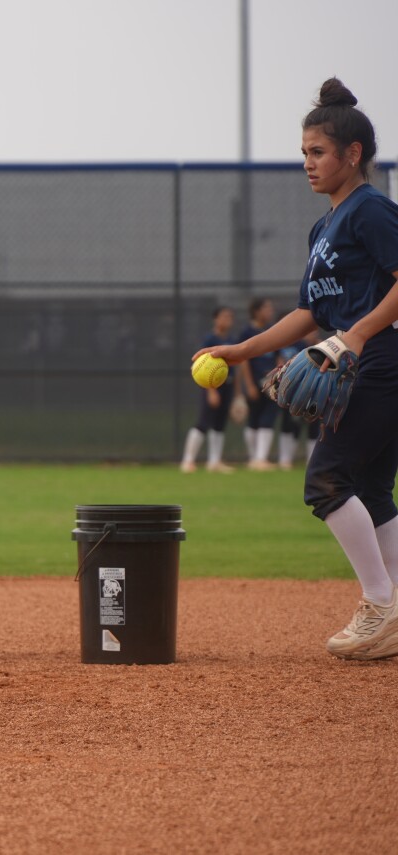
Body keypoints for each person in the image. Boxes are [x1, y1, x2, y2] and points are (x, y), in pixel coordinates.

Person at [197, 78, 398, 660]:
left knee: (325, 481)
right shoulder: (323, 226)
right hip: (357, 355)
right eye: (304, 152)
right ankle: (391, 609)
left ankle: (380, 604)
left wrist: (357, 334)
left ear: (352, 154)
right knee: (370, 488)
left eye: (318, 152)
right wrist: (241, 350)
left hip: (379, 356)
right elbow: (310, 312)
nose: (308, 163)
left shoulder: (371, 210)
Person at [180, 306, 237, 473]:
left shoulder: (232, 340)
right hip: (211, 387)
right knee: (203, 422)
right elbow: (201, 367)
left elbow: (237, 368)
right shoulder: (209, 339)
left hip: (227, 384)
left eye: (230, 317)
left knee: (219, 424)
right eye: (224, 316)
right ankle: (188, 461)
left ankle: (214, 461)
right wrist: (211, 391)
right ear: (215, 319)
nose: (228, 320)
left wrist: (237, 393)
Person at [236, 298, 279, 470]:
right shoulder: (247, 332)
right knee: (254, 418)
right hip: (254, 381)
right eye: (266, 308)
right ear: (256, 311)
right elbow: (244, 360)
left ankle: (261, 459)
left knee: (268, 417)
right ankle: (254, 458)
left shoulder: (272, 330)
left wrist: (277, 378)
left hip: (270, 382)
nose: (270, 311)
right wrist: (249, 385)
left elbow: (278, 356)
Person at [274, 327, 322, 470]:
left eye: (315, 331)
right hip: (294, 393)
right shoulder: (297, 347)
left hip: (315, 392)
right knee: (291, 424)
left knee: (313, 425)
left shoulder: (321, 347)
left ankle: (311, 460)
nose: (313, 334)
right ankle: (285, 459)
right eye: (310, 331)